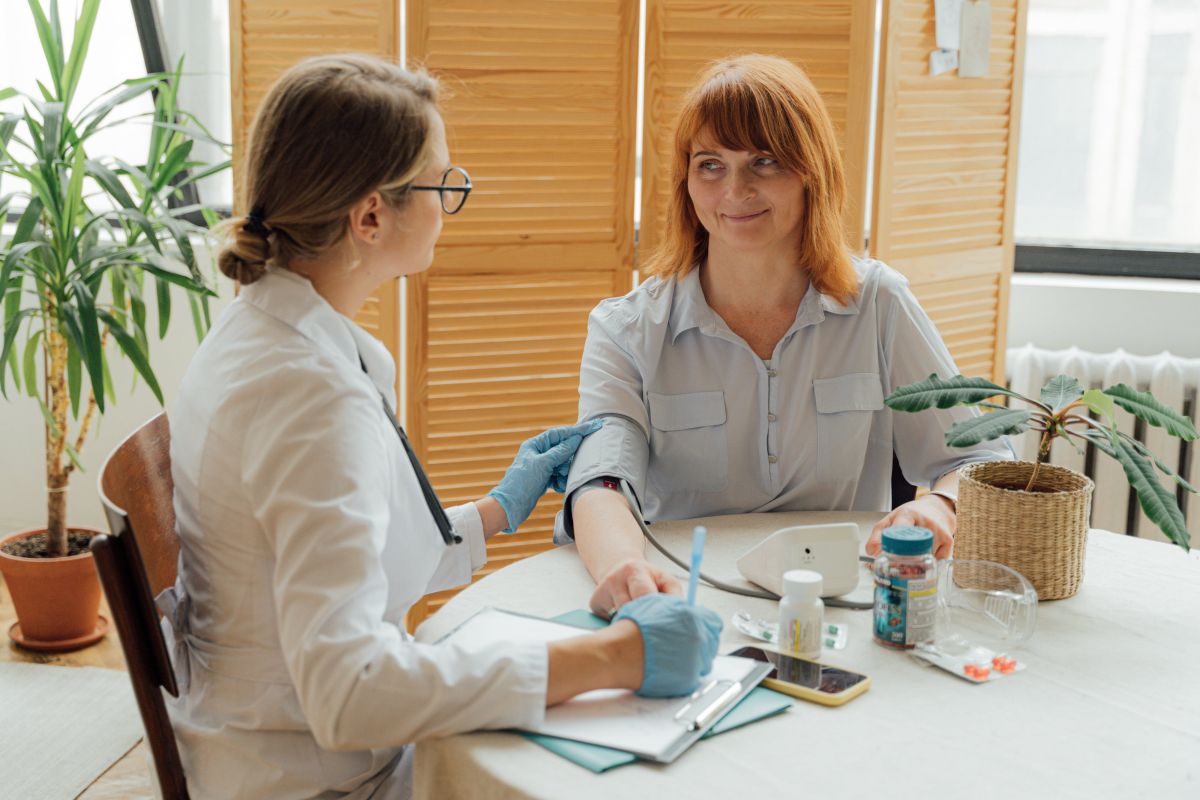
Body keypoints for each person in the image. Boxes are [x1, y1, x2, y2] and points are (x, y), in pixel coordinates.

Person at [162, 54, 721, 800]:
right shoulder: (310, 397)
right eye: (442, 185)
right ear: (369, 216)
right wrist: (614, 659)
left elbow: (319, 567)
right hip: (317, 780)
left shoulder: (260, 333)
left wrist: (492, 513)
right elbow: (349, 692)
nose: (451, 201)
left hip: (262, 741)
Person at [557, 54, 1013, 616]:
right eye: (710, 164)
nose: (735, 190)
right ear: (686, 182)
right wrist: (624, 570)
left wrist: (940, 508)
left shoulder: (880, 303)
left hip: (843, 605)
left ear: (812, 171)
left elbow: (980, 459)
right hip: (685, 601)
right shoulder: (625, 329)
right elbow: (600, 484)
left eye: (765, 161)